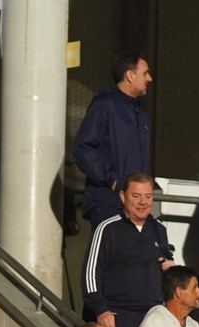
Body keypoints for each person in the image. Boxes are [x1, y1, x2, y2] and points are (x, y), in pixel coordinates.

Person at [83, 174, 171, 327]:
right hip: (118, 317)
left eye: (148, 196)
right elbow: (90, 273)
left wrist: (169, 269)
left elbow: (166, 263)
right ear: (123, 196)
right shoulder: (107, 229)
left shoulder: (159, 229)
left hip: (153, 317)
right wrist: (101, 310)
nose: (143, 202)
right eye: (136, 196)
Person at [72, 54, 152, 225]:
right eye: (145, 73)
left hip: (133, 205)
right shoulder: (105, 104)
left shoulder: (139, 112)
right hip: (108, 203)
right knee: (107, 251)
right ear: (130, 75)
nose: (149, 78)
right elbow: (83, 148)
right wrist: (113, 180)